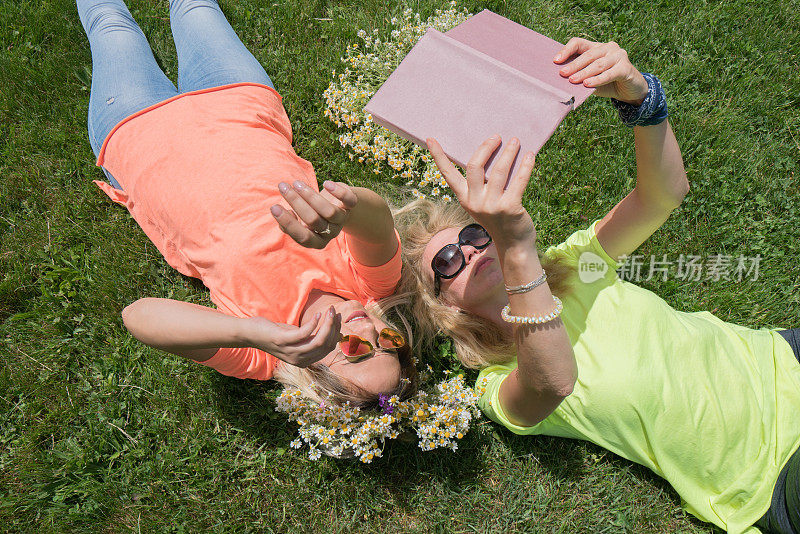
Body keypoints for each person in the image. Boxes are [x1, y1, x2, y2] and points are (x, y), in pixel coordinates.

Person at [395, 37, 800, 533]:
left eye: (476, 233)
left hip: (785, 359)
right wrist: (516, 244)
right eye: (450, 260)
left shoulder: (577, 261)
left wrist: (641, 100)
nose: (474, 250)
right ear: (441, 308)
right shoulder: (497, 384)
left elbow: (663, 195)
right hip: (766, 474)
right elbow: (553, 383)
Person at [76, 0, 417, 409]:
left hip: (136, 132)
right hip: (238, 98)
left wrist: (249, 333)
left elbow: (139, 315)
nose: (372, 331)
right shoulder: (371, 286)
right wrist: (345, 209)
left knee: (109, 24)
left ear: (313, 369)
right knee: (193, 5)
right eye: (390, 342)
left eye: (358, 350)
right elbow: (377, 220)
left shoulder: (260, 350)